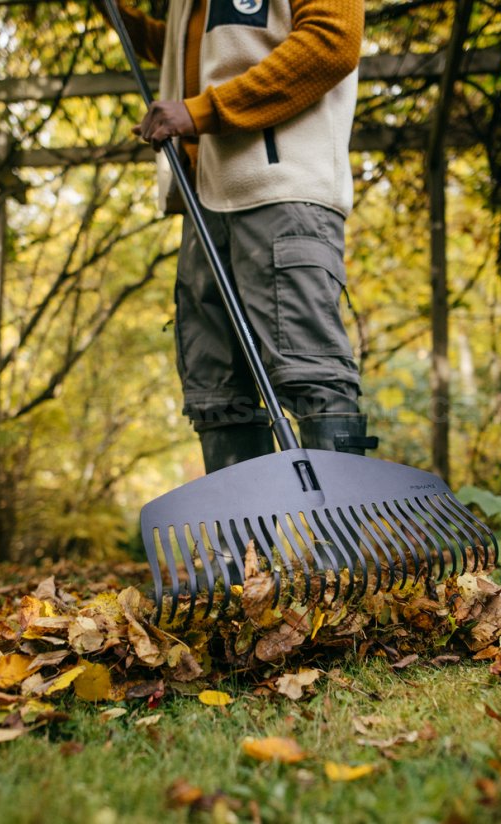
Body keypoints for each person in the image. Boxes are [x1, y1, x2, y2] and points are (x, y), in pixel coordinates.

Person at [100, 0, 376, 473]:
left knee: (309, 370)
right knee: (217, 391)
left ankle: (341, 542)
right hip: (203, 202)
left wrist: (202, 112)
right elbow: (171, 49)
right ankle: (245, 546)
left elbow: (332, 42)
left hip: (282, 192)